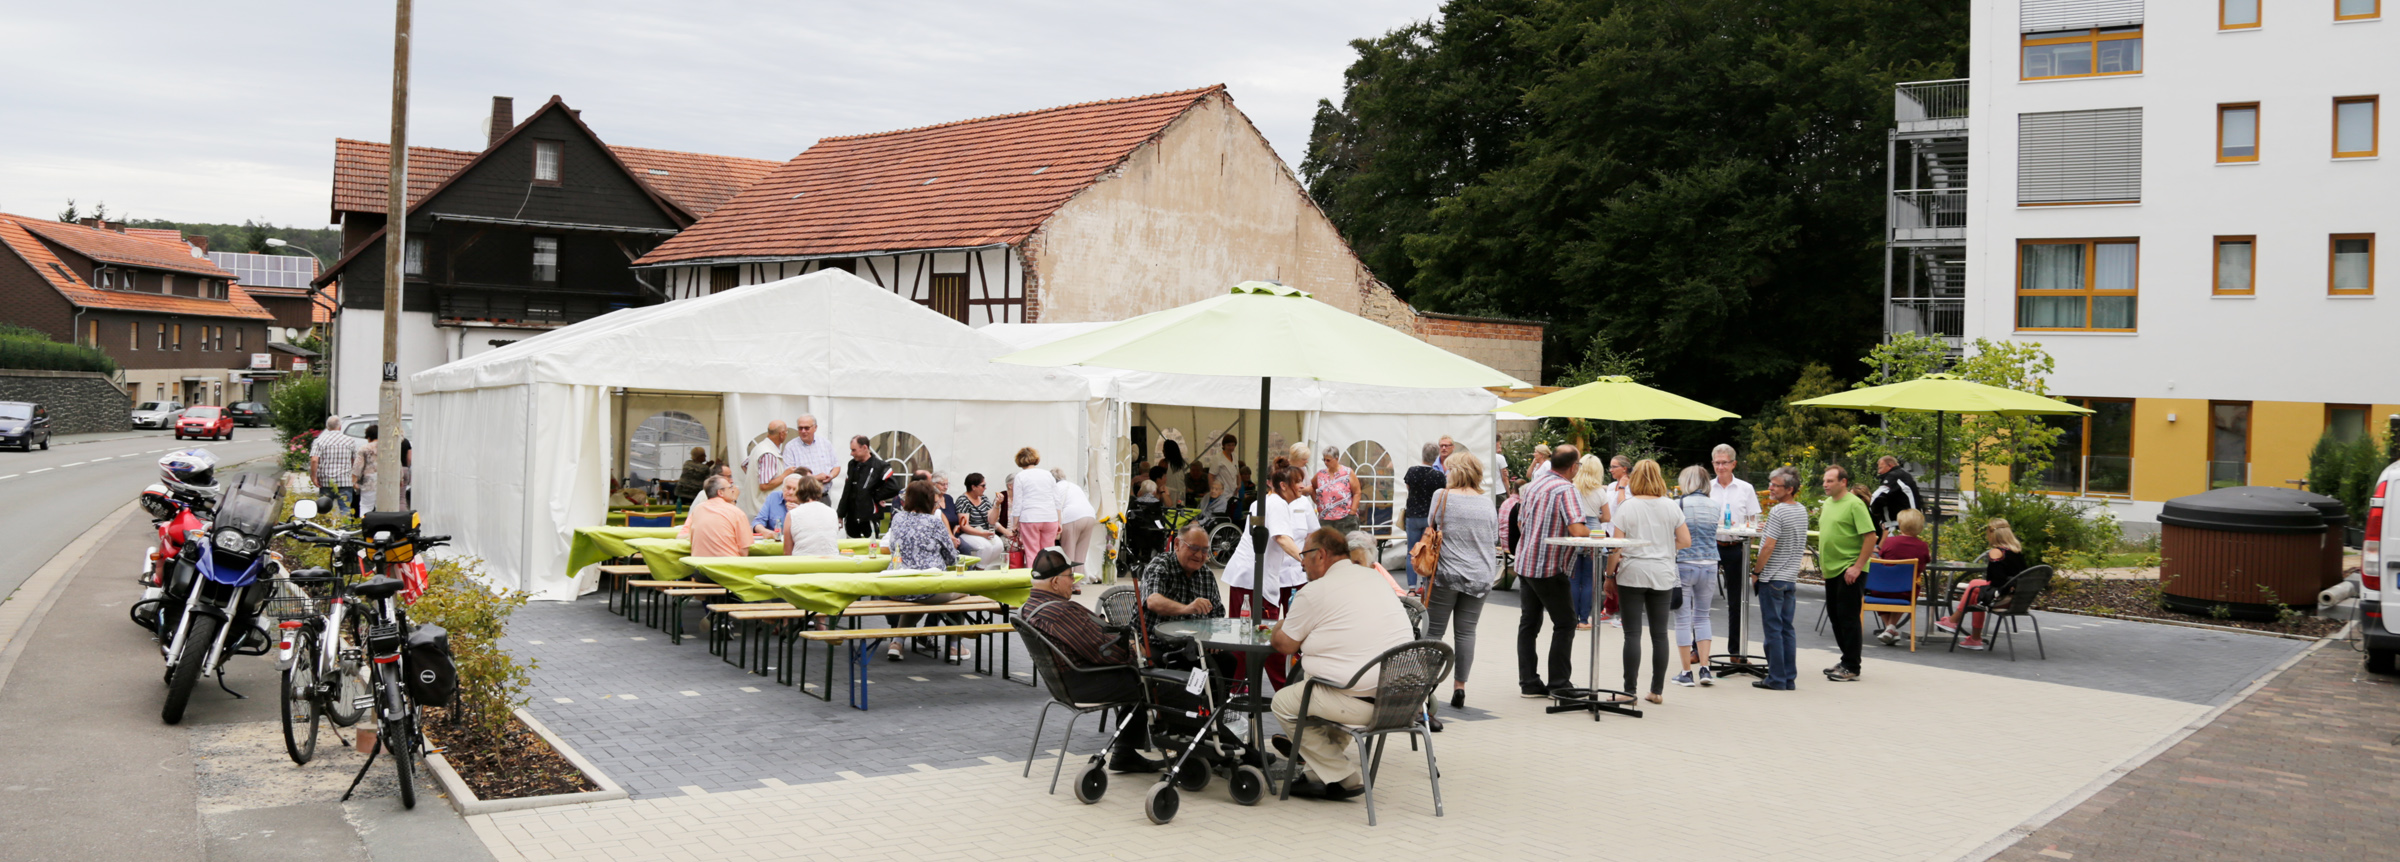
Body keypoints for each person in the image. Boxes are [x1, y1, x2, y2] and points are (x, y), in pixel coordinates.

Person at [1269, 528, 1414, 801]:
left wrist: (1279, 625)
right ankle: (1316, 773)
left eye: (1304, 555)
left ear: (1321, 555)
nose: (1301, 562)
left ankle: (1344, 776)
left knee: (1285, 702)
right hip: (1402, 699)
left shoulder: (1316, 590)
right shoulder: (1375, 578)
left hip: (1359, 701)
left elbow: (1285, 645)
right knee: (1321, 684)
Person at [1017, 549, 1165, 773]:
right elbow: (1102, 652)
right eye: (1070, 576)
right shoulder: (1058, 612)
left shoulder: (1029, 606)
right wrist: (1134, 651)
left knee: (1142, 674)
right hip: (1083, 682)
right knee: (1154, 681)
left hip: (1065, 682)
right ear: (1056, 582)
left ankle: (1126, 752)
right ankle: (1178, 749)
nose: (1074, 582)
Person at [1604, 460, 1691, 705]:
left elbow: (1616, 548)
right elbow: (1685, 540)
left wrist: (1610, 576)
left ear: (1634, 479)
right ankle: (1656, 690)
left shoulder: (1627, 506)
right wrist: (1664, 547)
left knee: (1632, 634)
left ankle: (1629, 690)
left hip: (1633, 572)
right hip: (1662, 573)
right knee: (1660, 634)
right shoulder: (1671, 506)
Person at [1220, 464, 1315, 688]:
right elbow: (1282, 538)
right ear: (1283, 485)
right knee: (1268, 636)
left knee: (1244, 634)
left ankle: (1237, 687)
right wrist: (1306, 561)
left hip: (1245, 576)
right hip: (1254, 580)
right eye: (1297, 481)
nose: (1302, 486)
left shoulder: (1261, 502)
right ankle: (1284, 688)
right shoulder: (1278, 504)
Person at [1512, 448, 1591, 698]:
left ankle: (1529, 683)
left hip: (1526, 562)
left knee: (1529, 624)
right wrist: (1597, 534)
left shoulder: (1536, 483)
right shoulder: (1566, 489)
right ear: (1573, 466)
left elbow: (1520, 521)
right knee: (1566, 622)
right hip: (1549, 566)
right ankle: (1559, 684)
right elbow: (1578, 530)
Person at [1423, 452, 1497, 713]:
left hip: (1447, 574)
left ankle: (1426, 687)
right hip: (1480, 575)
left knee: (1434, 632)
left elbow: (1430, 525)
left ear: (1456, 471)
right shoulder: (1487, 503)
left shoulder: (1441, 496)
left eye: (1448, 469)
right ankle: (1460, 686)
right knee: (1466, 633)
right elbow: (1493, 536)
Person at [886, 479, 968, 660]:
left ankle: (897, 642)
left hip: (897, 587)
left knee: (917, 597)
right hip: (928, 588)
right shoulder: (934, 522)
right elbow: (952, 558)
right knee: (964, 590)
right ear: (929, 500)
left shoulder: (898, 518)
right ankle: (955, 646)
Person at [1817, 464, 1880, 682]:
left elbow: (1871, 537)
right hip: (1832, 569)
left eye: (1830, 481)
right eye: (1824, 480)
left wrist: (1857, 566)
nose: (1825, 484)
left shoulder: (1854, 504)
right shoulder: (1827, 503)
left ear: (1843, 482)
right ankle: (1846, 659)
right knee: (1835, 616)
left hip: (1850, 568)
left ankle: (1853, 665)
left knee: (1848, 617)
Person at [1749, 467, 1807, 690]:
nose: (1770, 488)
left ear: (1790, 489)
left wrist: (1756, 572)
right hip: (1790, 577)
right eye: (1770, 483)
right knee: (1786, 629)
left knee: (1773, 629)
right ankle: (1788, 677)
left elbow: (1768, 547)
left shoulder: (1779, 512)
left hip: (1772, 577)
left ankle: (1775, 678)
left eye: (1775, 485)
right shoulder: (1800, 510)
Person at [1936, 519, 2028, 651]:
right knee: (1976, 592)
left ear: (1992, 533)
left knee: (1974, 585)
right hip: (2017, 600)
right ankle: (1974, 638)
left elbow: (1997, 581)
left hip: (2001, 600)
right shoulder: (2016, 552)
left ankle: (1954, 621)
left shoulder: (1997, 552)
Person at [1670, 465, 1724, 688]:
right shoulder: (1715, 506)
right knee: (1703, 616)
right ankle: (1705, 668)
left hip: (1685, 563)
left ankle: (1685, 672)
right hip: (1710, 563)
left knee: (1682, 619)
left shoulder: (1678, 505)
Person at [1871, 509, 1934, 646]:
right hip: (1905, 592)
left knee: (1877, 588)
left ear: (1900, 524)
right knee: (1908, 588)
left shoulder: (1889, 542)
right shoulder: (1923, 546)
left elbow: (1880, 561)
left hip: (1879, 589)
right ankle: (1891, 628)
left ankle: (1889, 629)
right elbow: (1923, 566)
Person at [1571, 453, 1610, 629]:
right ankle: (1584, 620)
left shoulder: (1571, 488)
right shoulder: (1600, 491)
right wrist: (1596, 520)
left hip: (1575, 530)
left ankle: (1571, 618)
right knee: (1589, 580)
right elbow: (1607, 516)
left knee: (1573, 578)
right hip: (1594, 534)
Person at [1400, 443, 1445, 589]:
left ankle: (1411, 588)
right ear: (1436, 457)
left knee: (1411, 552)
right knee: (1428, 552)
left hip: (1412, 515)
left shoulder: (1412, 471)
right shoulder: (1439, 476)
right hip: (1429, 518)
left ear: (1422, 455)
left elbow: (1409, 488)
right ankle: (1424, 585)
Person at [837, 436, 900, 538]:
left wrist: (875, 496)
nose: (851, 453)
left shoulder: (880, 466)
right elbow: (847, 490)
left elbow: (894, 487)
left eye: (854, 450)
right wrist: (840, 514)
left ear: (864, 448)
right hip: (851, 518)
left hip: (869, 516)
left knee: (871, 548)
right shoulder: (852, 464)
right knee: (850, 549)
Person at [684, 476, 755, 561]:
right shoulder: (737, 512)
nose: (733, 490)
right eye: (730, 487)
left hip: (699, 566)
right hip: (727, 567)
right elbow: (744, 551)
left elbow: (692, 540)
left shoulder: (697, 510)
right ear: (720, 492)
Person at [1007, 448, 1060, 556]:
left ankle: (1034, 572)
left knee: (1032, 553)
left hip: (1030, 518)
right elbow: (1057, 500)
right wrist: (1059, 521)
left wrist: (1014, 524)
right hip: (1050, 517)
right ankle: (1047, 573)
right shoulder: (1047, 474)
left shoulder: (1020, 476)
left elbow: (1018, 502)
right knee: (1048, 553)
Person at [309, 416, 360, 516]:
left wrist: (313, 477)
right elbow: (355, 460)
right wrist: (355, 477)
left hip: (326, 480)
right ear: (340, 427)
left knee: (324, 508)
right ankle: (345, 529)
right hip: (345, 480)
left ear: (327, 427)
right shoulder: (350, 440)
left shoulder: (319, 441)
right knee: (345, 508)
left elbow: (314, 460)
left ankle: (325, 528)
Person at [1051, 468, 1098, 577]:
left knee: (1068, 551)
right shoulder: (1074, 486)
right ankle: (1077, 584)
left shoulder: (1056, 487)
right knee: (1081, 552)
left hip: (1072, 516)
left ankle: (1067, 582)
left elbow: (1055, 506)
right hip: (1090, 515)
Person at [781, 474, 842, 556]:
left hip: (803, 563)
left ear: (798, 493)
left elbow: (787, 552)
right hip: (831, 562)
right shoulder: (832, 512)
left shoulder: (792, 514)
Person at [954, 473, 1005, 569]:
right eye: (983, 485)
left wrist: (997, 505)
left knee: (999, 545)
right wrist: (982, 534)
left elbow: (992, 521)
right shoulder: (963, 501)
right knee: (985, 547)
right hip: (969, 533)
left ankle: (982, 567)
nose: (985, 488)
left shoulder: (984, 499)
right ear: (973, 487)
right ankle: (979, 569)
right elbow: (964, 526)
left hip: (984, 531)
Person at [1312, 446, 1362, 536]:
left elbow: (1357, 492)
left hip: (1345, 517)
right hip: (1325, 518)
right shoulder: (1321, 474)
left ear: (1336, 459)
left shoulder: (1348, 472)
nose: (1325, 463)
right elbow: (1311, 487)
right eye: (1324, 460)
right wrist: (1317, 502)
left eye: (1328, 460)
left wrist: (1352, 512)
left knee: (1347, 545)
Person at [781, 414, 840, 487]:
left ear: (815, 428)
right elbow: (790, 475)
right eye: (800, 428)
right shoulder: (790, 447)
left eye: (806, 428)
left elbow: (836, 466)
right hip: (802, 495)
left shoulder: (825, 443)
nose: (803, 431)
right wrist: (816, 478)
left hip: (823, 494)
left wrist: (830, 476)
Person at [1869, 456, 1922, 533]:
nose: (1879, 472)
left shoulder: (1894, 476)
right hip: (1909, 524)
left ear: (1890, 465)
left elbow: (1877, 497)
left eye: (1880, 468)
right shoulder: (1904, 475)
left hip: (1898, 526)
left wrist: (1873, 510)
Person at [752, 420, 793, 494]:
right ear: (781, 434)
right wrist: (786, 474)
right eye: (786, 432)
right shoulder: (769, 454)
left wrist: (755, 477)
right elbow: (764, 485)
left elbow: (744, 465)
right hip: (764, 502)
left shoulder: (759, 447)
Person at [353, 424, 382, 512]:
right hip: (385, 482)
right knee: (383, 509)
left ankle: (365, 524)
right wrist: (400, 478)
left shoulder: (364, 449)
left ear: (368, 437)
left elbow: (358, 466)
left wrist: (354, 481)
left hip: (369, 482)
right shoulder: (387, 447)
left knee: (366, 507)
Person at [1155, 440, 1189, 509]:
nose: (1162, 451)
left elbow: (1158, 478)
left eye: (1164, 449)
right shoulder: (1182, 464)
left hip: (1168, 492)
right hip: (1181, 492)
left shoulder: (1163, 463)